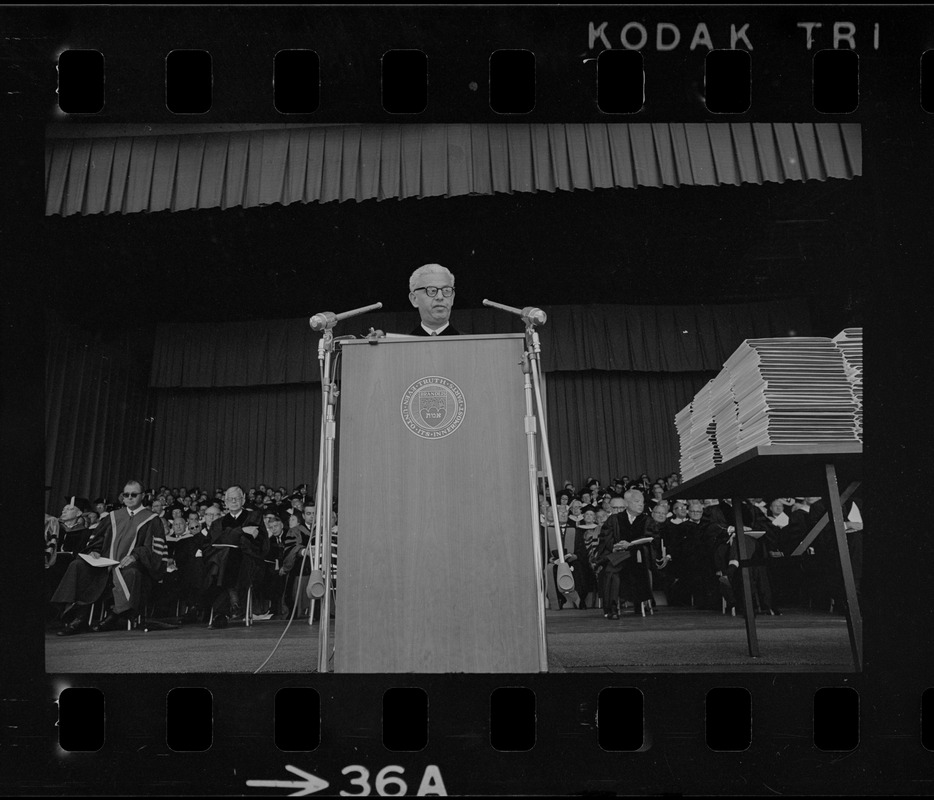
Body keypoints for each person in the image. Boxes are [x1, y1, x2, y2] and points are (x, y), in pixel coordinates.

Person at [52, 480, 166, 635]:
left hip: (132, 565)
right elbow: (96, 539)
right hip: (106, 564)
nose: (130, 497)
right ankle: (80, 617)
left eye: (134, 494)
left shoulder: (152, 519)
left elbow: (154, 549)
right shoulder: (113, 516)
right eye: (126, 494)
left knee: (131, 573)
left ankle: (116, 615)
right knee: (78, 565)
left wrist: (135, 555)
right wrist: (95, 551)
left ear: (143, 496)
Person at [200, 485, 263, 629]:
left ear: (244, 499)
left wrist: (230, 538)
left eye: (237, 498)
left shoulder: (254, 517)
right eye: (230, 499)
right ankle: (233, 601)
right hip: (221, 564)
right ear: (225, 501)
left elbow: (258, 543)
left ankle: (220, 613)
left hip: (248, 562)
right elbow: (211, 546)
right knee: (222, 561)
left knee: (225, 561)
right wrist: (241, 531)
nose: (234, 501)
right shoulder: (217, 523)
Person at [407, 263, 460, 336]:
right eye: (432, 291)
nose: (440, 297)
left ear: (452, 298)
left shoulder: (471, 344)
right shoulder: (403, 345)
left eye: (446, 290)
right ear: (414, 299)